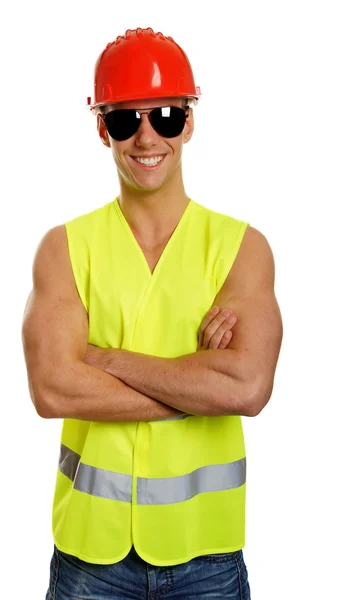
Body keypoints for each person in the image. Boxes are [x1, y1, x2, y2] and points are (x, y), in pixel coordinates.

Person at [22, 26, 283, 599]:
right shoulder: (64, 248)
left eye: (164, 115)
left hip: (206, 556)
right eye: (124, 119)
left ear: (188, 121)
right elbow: (53, 390)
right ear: (101, 128)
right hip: (89, 559)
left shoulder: (241, 247)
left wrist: (101, 358)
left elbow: (247, 386)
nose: (145, 137)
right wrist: (196, 384)